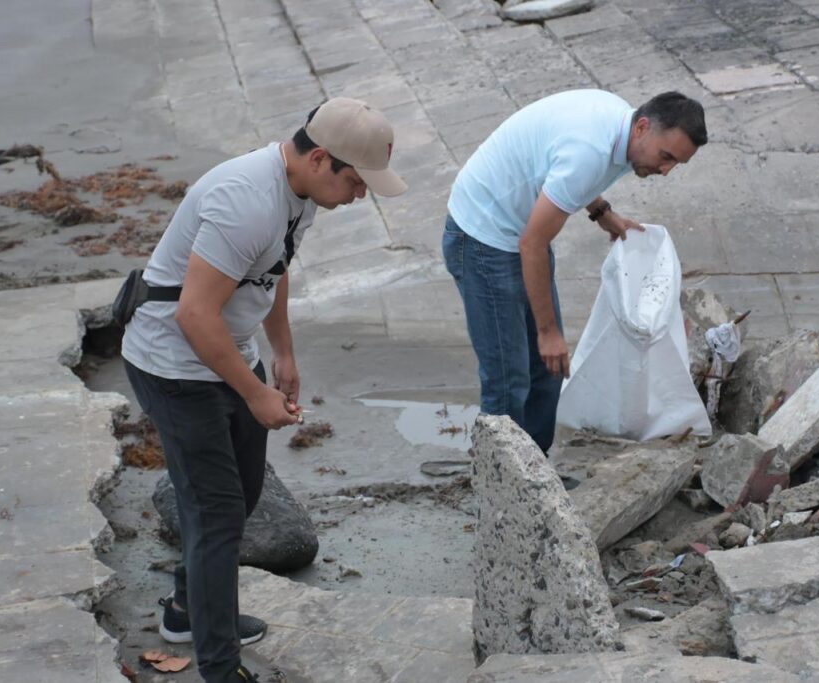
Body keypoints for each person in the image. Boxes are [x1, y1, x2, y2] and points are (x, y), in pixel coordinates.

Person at [121, 98, 406, 683]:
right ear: (320, 158)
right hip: (173, 366)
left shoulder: (302, 192)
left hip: (227, 351)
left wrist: (283, 352)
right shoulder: (246, 202)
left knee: (244, 493)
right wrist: (254, 393)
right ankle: (220, 667)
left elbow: (273, 269)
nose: (360, 196)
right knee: (217, 513)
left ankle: (186, 609)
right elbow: (193, 315)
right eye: (356, 182)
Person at [443, 89, 706, 455]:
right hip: (480, 237)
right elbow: (533, 244)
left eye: (677, 163)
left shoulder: (621, 129)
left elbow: (565, 174)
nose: (666, 170)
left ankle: (535, 472)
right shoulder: (591, 149)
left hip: (519, 228)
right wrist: (548, 332)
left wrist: (602, 212)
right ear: (643, 127)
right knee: (508, 378)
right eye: (666, 157)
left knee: (548, 370)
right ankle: (500, 479)